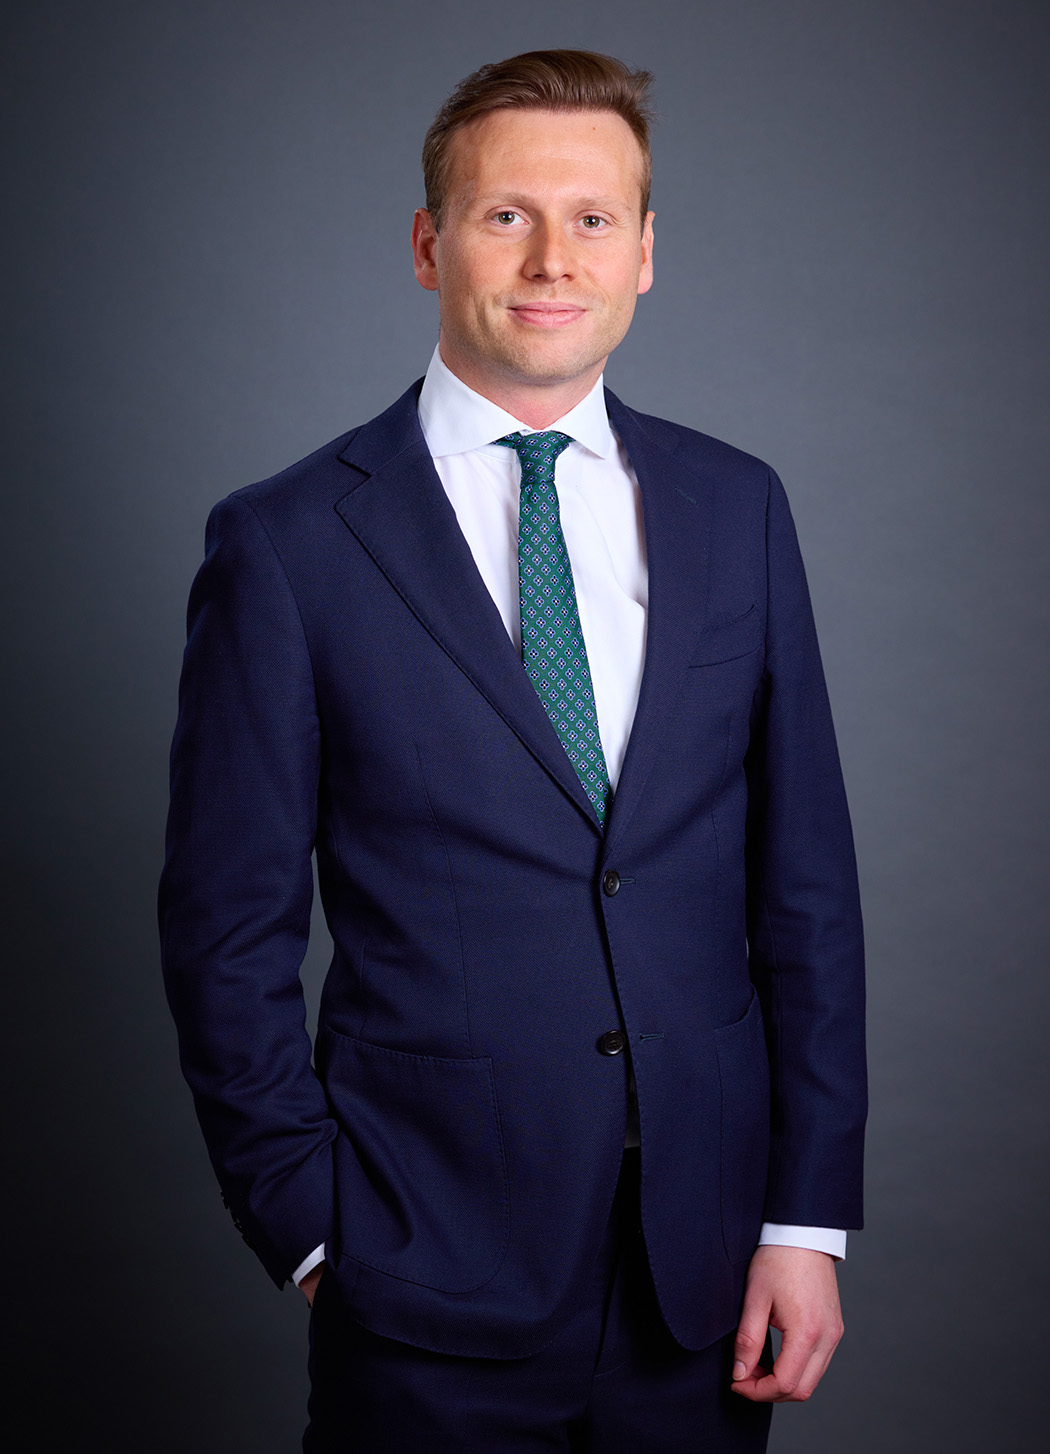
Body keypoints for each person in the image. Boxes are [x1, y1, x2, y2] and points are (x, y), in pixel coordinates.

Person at [159, 48, 866, 1453]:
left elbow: (806, 891)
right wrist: (311, 1229)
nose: (553, 259)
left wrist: (804, 1220)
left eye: (593, 218)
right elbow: (223, 930)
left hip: (703, 1270)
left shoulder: (737, 507)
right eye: (505, 216)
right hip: (420, 1271)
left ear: (645, 252)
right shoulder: (287, 545)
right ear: (430, 245)